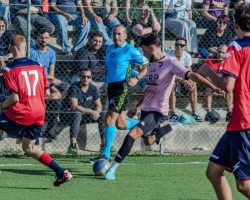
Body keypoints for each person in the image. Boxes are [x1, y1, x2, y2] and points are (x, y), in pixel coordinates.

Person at [104, 32, 222, 181]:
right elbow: (149, 89)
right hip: (147, 109)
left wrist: (213, 86)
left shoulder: (170, 62)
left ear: (152, 48)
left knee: (132, 134)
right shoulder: (151, 64)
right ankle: (177, 124)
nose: (144, 55)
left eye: (145, 50)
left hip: (158, 110)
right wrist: (138, 107)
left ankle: (112, 169)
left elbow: (192, 75)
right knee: (149, 141)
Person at [0, 35, 72, 186]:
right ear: (25, 48)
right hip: (39, 113)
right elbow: (46, 94)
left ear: (11, 49)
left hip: (22, 112)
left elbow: (14, 99)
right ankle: (61, 172)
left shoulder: (8, 69)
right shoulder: (39, 66)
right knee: (29, 147)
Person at [198, 3, 250, 199]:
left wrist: (208, 72)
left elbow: (227, 86)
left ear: (236, 23)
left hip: (244, 121)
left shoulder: (236, 47)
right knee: (213, 171)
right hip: (238, 122)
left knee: (244, 185)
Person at [90, 24, 148, 162]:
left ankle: (106, 154)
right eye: (114, 34)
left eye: (119, 34)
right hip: (111, 87)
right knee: (120, 124)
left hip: (122, 88)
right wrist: (107, 70)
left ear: (125, 35)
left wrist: (137, 78)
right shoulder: (110, 48)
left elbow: (146, 65)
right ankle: (147, 125)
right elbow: (112, 65)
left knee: (109, 119)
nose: (116, 37)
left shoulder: (130, 50)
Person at [66, 68, 105, 154]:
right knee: (77, 113)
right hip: (68, 115)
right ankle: (72, 145)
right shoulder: (74, 87)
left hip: (85, 115)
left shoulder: (93, 88)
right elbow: (74, 106)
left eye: (88, 77)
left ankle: (104, 145)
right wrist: (91, 111)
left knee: (102, 114)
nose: (86, 79)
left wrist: (97, 112)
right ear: (79, 77)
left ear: (91, 78)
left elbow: (99, 105)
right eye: (83, 77)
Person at [166, 37, 202, 122]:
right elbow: (169, 74)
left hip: (182, 77)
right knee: (172, 83)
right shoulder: (168, 55)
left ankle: (195, 112)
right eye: (177, 45)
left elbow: (189, 71)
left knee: (193, 83)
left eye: (181, 45)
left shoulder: (187, 56)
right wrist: (183, 80)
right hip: (170, 77)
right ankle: (172, 112)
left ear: (185, 47)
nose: (179, 47)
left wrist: (189, 81)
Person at [202, 44, 233, 122]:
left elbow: (231, 76)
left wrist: (224, 85)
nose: (220, 54)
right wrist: (214, 86)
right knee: (208, 90)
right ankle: (208, 113)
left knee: (229, 89)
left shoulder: (229, 60)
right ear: (216, 51)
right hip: (212, 82)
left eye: (223, 53)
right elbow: (204, 75)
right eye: (219, 52)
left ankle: (229, 113)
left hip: (223, 82)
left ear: (226, 53)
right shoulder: (210, 59)